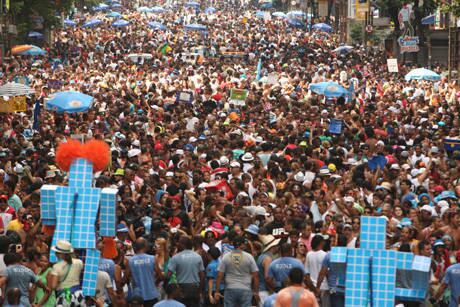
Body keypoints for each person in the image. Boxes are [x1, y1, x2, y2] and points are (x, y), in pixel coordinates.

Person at [215, 236, 260, 307]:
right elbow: (256, 275)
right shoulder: (249, 257)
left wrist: (217, 292)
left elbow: (219, 275)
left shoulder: (226, 257)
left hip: (230, 288)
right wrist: (256, 292)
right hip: (245, 289)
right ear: (242, 245)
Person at [168, 236, 205, 307]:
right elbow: (202, 276)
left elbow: (168, 276)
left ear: (182, 244)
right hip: (195, 288)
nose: (177, 244)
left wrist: (168, 289)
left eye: (179, 243)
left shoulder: (176, 257)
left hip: (181, 289)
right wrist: (199, 291)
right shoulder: (198, 256)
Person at [127, 238, 163, 307]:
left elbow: (125, 278)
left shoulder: (130, 261)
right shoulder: (153, 258)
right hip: (152, 294)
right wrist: (154, 283)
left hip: (137, 297)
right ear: (145, 246)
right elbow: (161, 276)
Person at [49, 240, 85, 307]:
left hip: (65, 296)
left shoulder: (56, 267)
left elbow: (53, 286)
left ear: (59, 253)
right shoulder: (79, 262)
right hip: (78, 295)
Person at [305, 235, 329, 307]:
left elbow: (307, 274)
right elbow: (326, 273)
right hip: (324, 287)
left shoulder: (308, 254)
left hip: (312, 287)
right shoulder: (325, 255)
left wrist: (314, 289)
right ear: (321, 243)